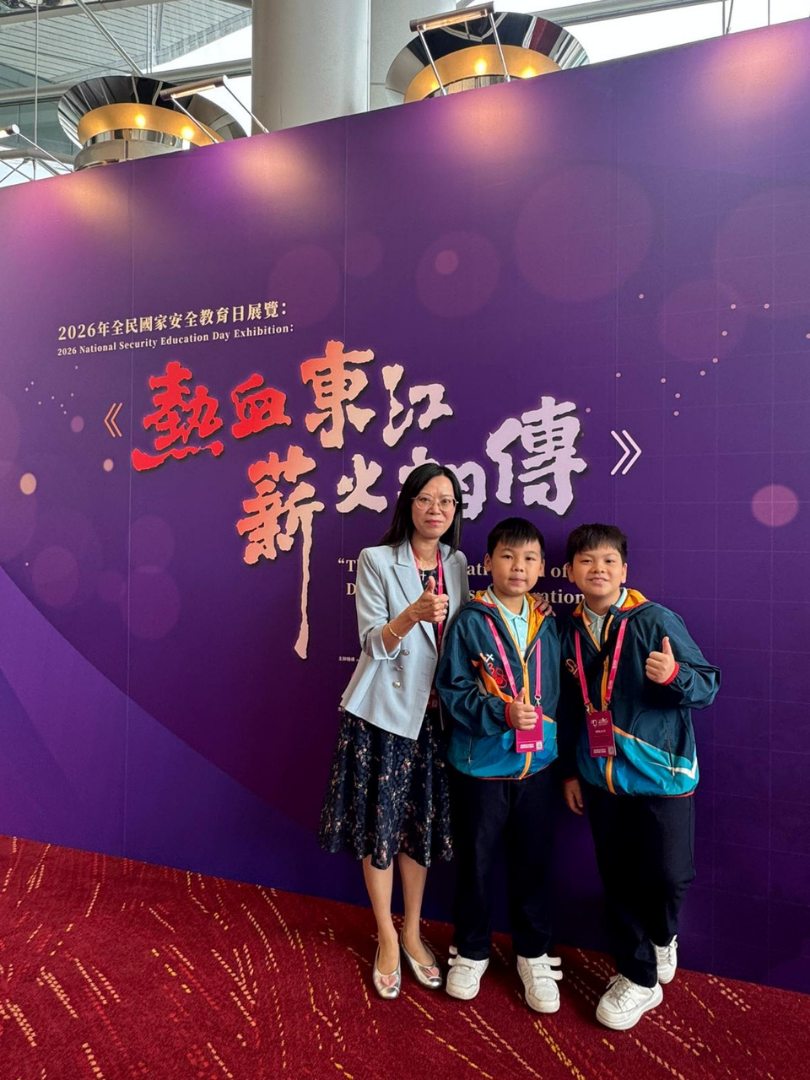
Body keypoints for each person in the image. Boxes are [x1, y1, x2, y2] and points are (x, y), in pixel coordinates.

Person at [559, 523, 720, 1031]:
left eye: (608, 560)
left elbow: (708, 685)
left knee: (670, 876)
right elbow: (569, 709)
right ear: (570, 572)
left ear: (624, 570)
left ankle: (662, 935)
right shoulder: (569, 630)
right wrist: (570, 772)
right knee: (618, 879)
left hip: (661, 775)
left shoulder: (655, 620)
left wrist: (674, 677)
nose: (598, 569)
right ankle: (638, 977)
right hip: (601, 778)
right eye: (587, 561)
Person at [318, 463, 469, 1000]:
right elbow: (373, 644)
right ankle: (385, 934)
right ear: (408, 504)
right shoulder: (376, 559)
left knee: (418, 829)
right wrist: (412, 614)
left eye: (446, 501)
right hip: (384, 715)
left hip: (433, 719)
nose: (436, 509)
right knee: (380, 828)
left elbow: (464, 636)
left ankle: (412, 931)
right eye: (426, 498)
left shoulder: (456, 563)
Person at [435, 517, 563, 1013]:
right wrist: (501, 713)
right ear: (487, 562)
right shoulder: (470, 621)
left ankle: (534, 954)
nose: (518, 567)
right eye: (508, 556)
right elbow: (452, 690)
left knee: (534, 865)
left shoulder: (547, 620)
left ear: (542, 567)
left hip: (538, 768)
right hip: (481, 768)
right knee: (476, 865)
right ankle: (470, 951)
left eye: (529, 558)